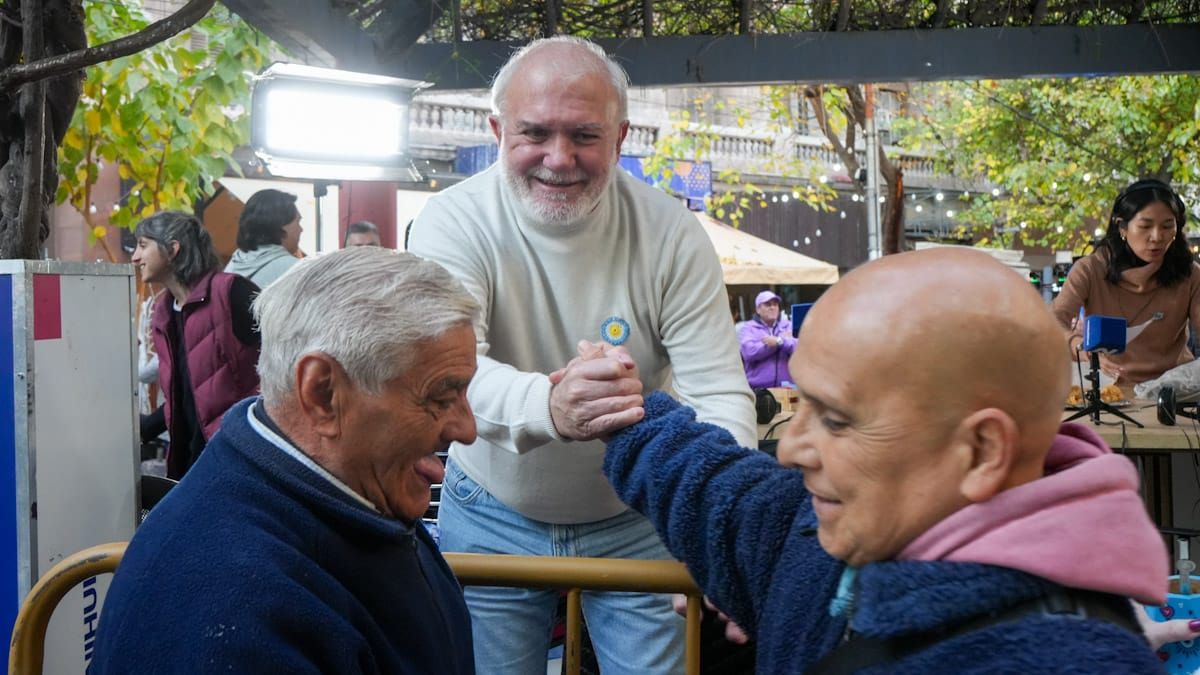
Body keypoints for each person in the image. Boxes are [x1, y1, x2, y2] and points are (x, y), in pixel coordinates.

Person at [601, 248, 1167, 673]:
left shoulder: (1074, 660)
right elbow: (722, 495)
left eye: (836, 418)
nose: (792, 450)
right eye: (804, 405)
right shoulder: (817, 532)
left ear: (982, 451)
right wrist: (628, 410)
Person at [407, 35, 756, 674]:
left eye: (584, 136)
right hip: (491, 510)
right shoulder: (451, 220)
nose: (559, 158)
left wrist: (720, 523)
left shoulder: (671, 232)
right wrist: (550, 405)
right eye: (535, 132)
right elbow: (445, 374)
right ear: (497, 129)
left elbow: (719, 393)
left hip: (638, 516)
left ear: (621, 136)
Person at [90, 247, 479, 674]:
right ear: (322, 394)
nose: (466, 428)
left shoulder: (340, 494)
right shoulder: (237, 613)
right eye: (442, 396)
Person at [131, 211, 261, 480]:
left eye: (143, 245)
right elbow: (186, 394)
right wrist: (144, 429)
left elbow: (281, 366)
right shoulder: (164, 312)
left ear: (173, 248)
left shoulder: (233, 292)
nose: (135, 257)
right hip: (188, 461)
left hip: (239, 458)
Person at [1052, 178, 1200, 387]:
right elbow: (1053, 323)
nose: (1157, 237)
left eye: (1167, 226)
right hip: (1110, 390)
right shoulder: (1090, 270)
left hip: (1172, 390)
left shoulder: (1190, 274)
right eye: (1145, 226)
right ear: (1122, 227)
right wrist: (1081, 348)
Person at [225, 188, 303, 288]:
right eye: (297, 221)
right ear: (282, 224)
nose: (301, 229)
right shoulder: (296, 271)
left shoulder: (233, 265)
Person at [739, 290, 795, 388]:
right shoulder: (748, 328)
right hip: (759, 391)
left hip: (787, 388)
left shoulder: (788, 325)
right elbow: (749, 352)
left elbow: (800, 347)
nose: (772, 307)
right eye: (768, 305)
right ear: (758, 309)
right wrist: (780, 342)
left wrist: (779, 341)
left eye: (775, 304)